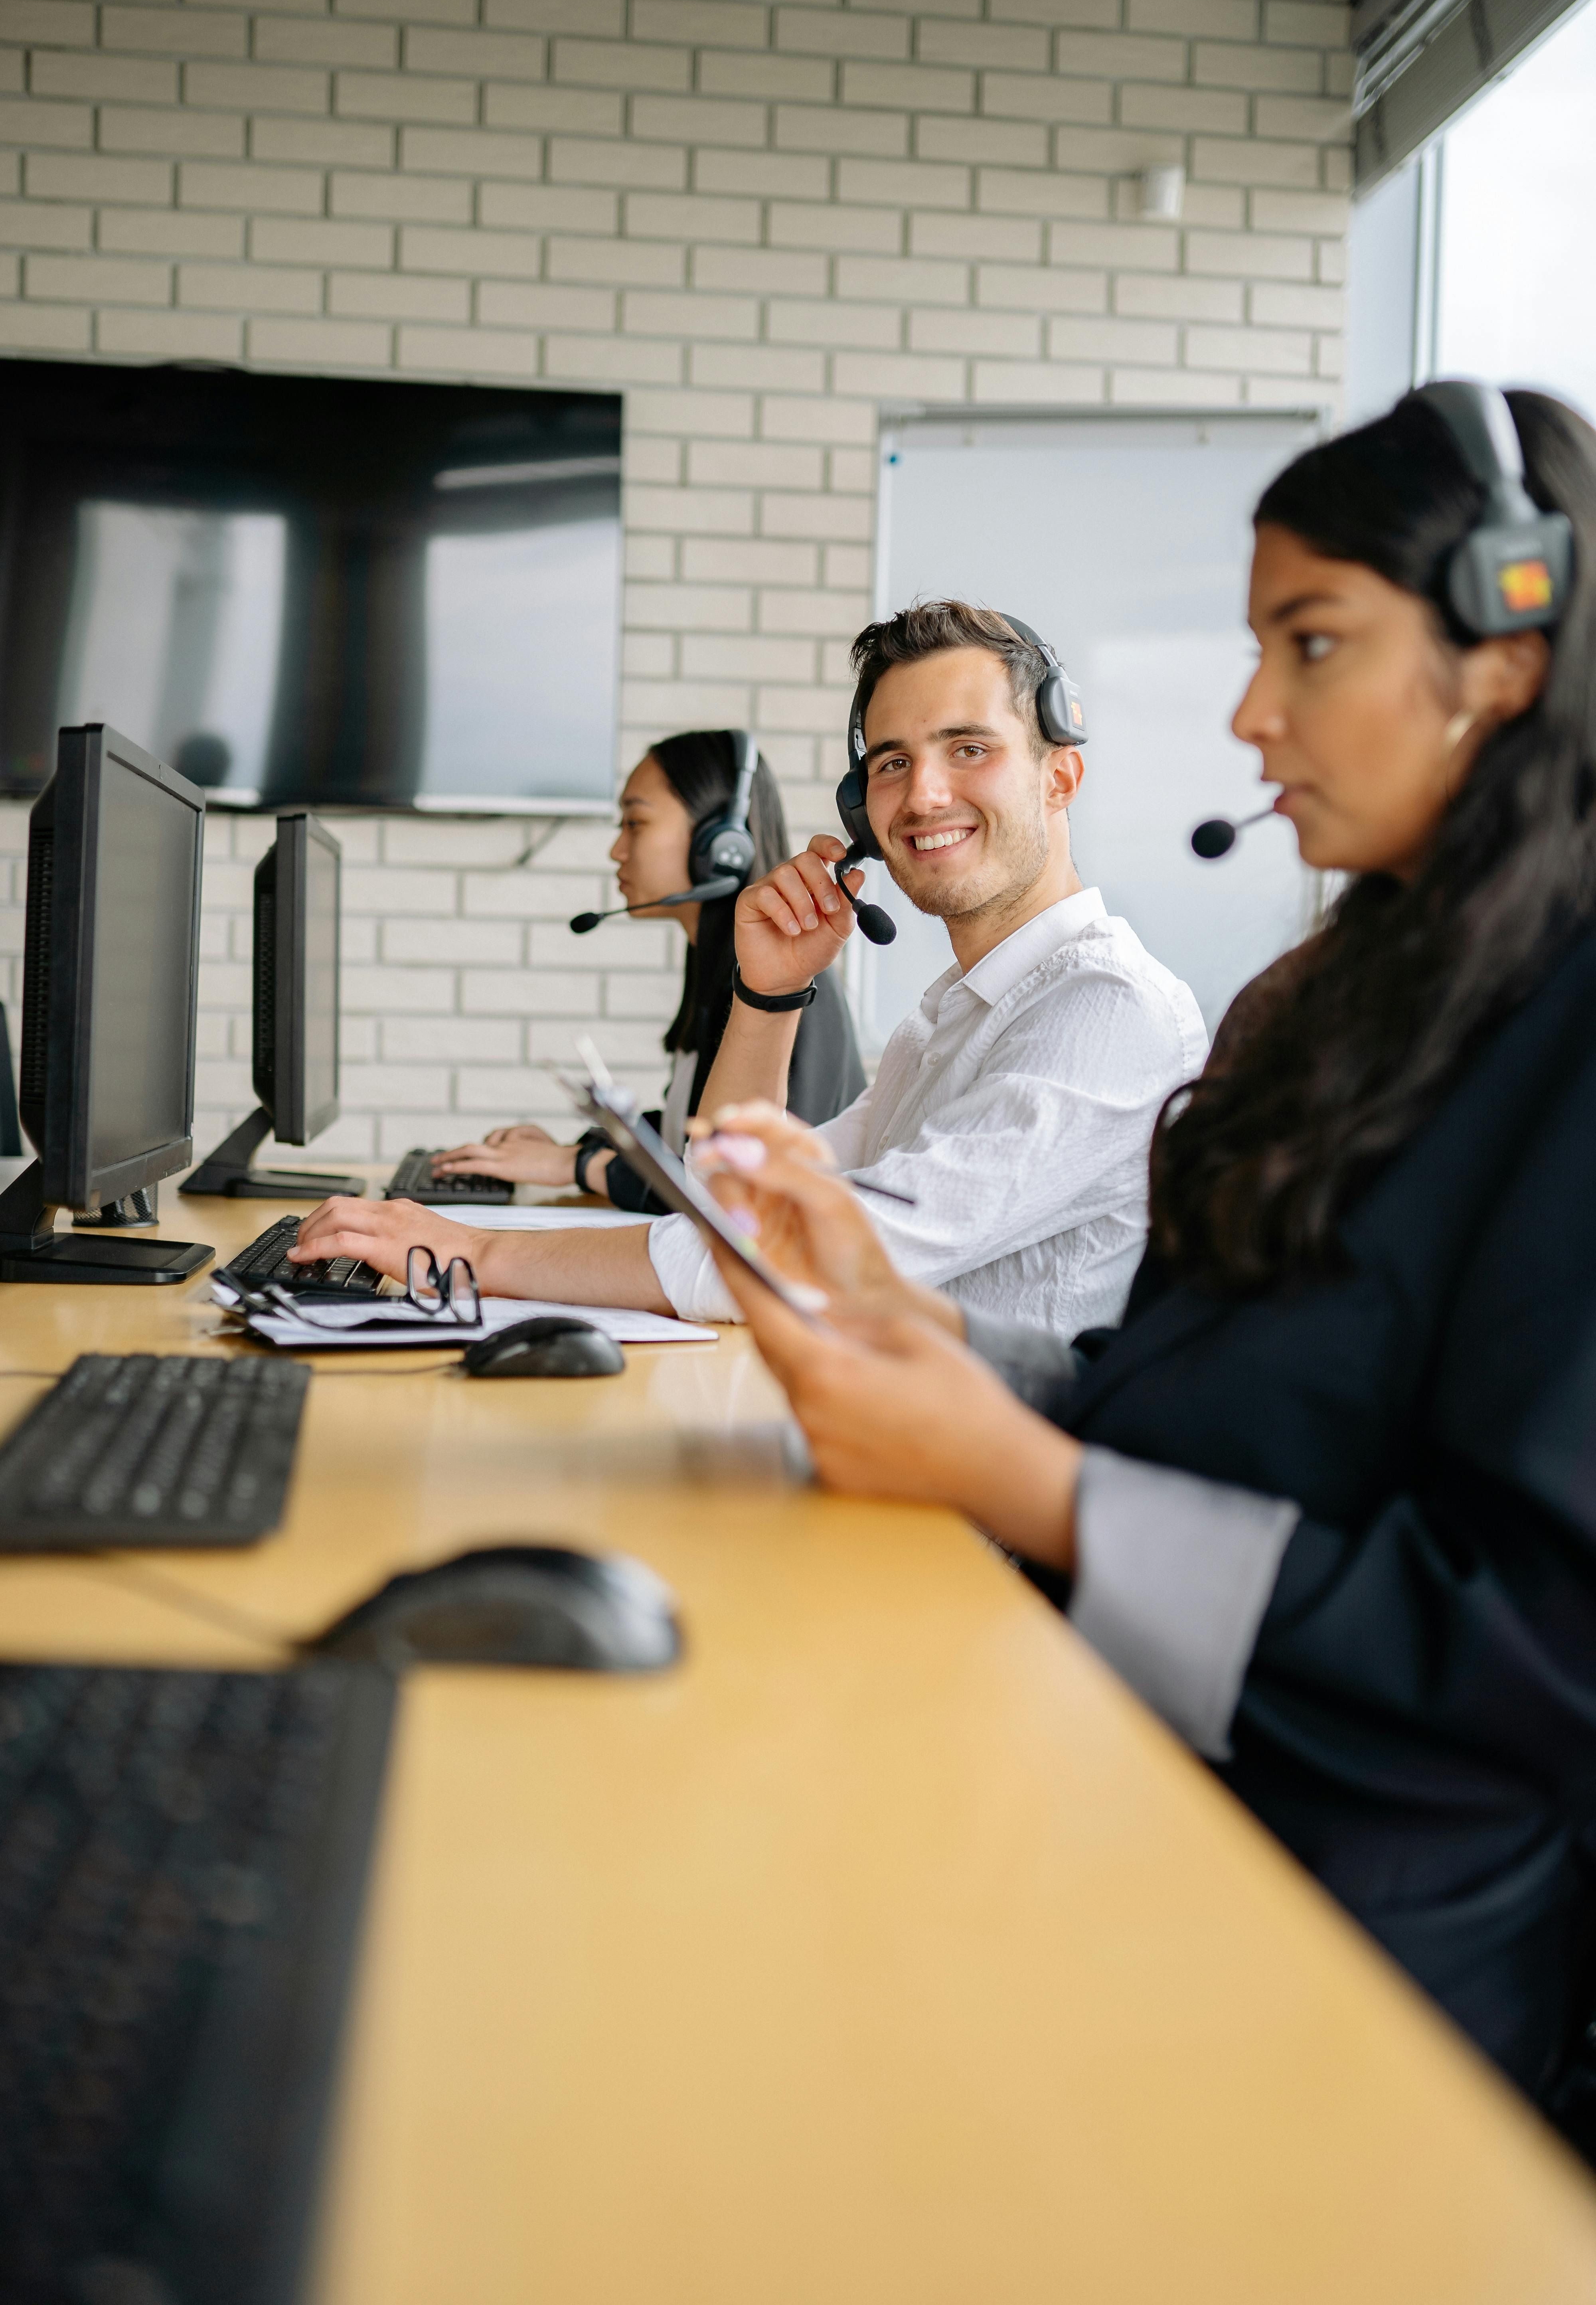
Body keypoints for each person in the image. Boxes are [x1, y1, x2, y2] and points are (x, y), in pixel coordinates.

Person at [688, 386, 1596, 2154]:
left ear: (1506, 635)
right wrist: (935, 1336)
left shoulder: (1560, 1045)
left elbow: (1526, 1653)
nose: (1251, 714)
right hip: (1165, 1788)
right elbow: (1239, 1409)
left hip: (1352, 1962)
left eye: (1309, 643)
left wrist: (1028, 1479)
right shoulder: (1366, 999)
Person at [288, 602, 1205, 1332]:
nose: (922, 793)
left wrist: (474, 1254)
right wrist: (767, 990)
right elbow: (725, 1205)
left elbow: (788, 1259)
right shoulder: (951, 1018)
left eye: (969, 748)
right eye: (891, 762)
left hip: (962, 1539)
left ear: (1059, 778)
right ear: (860, 806)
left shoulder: (1104, 1011)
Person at [429, 729, 864, 1211]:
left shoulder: (790, 986)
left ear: (721, 846)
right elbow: (690, 1131)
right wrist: (585, 1148)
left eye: (635, 824)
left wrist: (574, 1166)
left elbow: (739, 1193)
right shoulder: (716, 960)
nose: (617, 850)